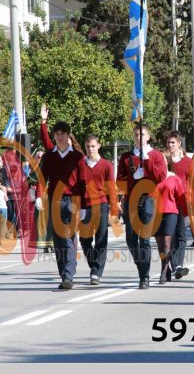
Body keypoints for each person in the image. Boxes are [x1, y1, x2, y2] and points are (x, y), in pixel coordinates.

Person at [35, 120, 89, 290]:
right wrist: (38, 195)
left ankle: (68, 275)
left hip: (73, 200)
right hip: (54, 199)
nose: (59, 137)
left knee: (67, 235)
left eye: (62, 134)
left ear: (68, 135)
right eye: (57, 134)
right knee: (58, 239)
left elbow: (83, 182)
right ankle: (64, 274)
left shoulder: (77, 156)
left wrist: (84, 205)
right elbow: (42, 178)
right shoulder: (49, 156)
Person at [117, 123, 167, 289]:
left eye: (142, 134)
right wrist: (133, 177)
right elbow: (119, 183)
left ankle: (144, 277)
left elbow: (161, 176)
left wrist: (147, 161)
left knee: (144, 239)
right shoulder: (126, 157)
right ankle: (142, 268)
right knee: (131, 240)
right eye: (136, 135)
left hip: (148, 200)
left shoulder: (156, 155)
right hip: (131, 201)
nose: (139, 138)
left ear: (148, 136)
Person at [80, 134, 119, 285]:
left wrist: (114, 211)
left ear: (98, 146)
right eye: (88, 146)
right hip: (85, 206)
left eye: (93, 146)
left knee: (101, 240)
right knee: (84, 240)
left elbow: (111, 189)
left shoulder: (106, 165)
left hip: (101, 205)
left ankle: (96, 273)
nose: (90, 149)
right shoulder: (80, 164)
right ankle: (94, 265)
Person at [154, 152, 189, 284]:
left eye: (162, 160)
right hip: (155, 214)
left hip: (170, 212)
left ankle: (163, 270)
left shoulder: (174, 178)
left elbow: (181, 198)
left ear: (167, 162)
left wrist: (185, 214)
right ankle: (166, 267)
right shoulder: (151, 178)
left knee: (167, 243)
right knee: (160, 245)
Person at [165, 131, 192, 278]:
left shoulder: (188, 162)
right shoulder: (164, 161)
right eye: (169, 142)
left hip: (183, 202)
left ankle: (178, 265)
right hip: (167, 203)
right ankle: (171, 267)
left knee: (181, 235)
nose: (170, 145)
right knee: (170, 236)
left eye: (173, 142)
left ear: (179, 144)